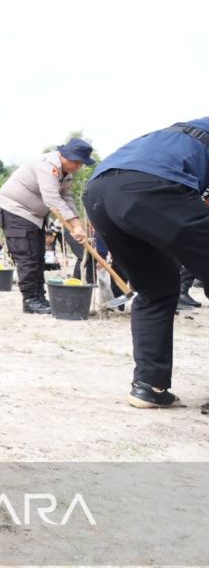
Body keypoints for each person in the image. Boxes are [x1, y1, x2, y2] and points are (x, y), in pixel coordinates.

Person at [84, 118, 209, 408]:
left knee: (157, 289)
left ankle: (149, 386)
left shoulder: (177, 135)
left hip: (99, 192)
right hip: (151, 188)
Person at [0, 138, 95, 315]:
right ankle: (30, 300)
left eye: (82, 163)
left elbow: (66, 198)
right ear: (65, 156)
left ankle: (39, 297)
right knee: (27, 257)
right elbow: (52, 199)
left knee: (38, 256)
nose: (79, 167)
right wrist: (73, 224)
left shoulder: (65, 173)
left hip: (34, 217)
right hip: (15, 210)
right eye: (77, 162)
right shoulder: (47, 166)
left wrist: (77, 225)